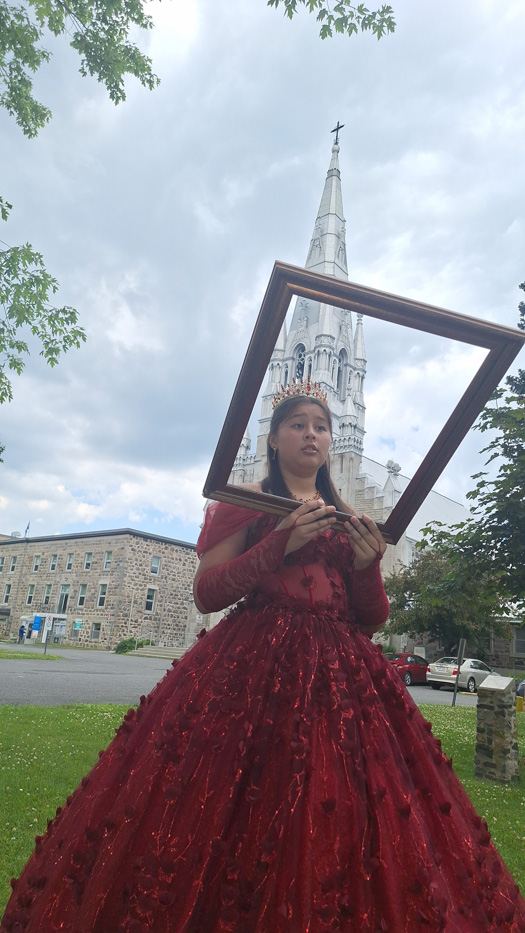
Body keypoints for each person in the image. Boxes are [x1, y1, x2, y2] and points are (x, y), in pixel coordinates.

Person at [2, 382, 525, 933]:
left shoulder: (348, 516)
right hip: (252, 670)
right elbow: (208, 592)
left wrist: (368, 565)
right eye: (298, 425)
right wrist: (280, 543)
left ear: (332, 440)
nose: (311, 435)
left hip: (341, 679)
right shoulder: (245, 501)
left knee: (339, 800)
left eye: (321, 426)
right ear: (273, 439)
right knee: (232, 799)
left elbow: (369, 619)